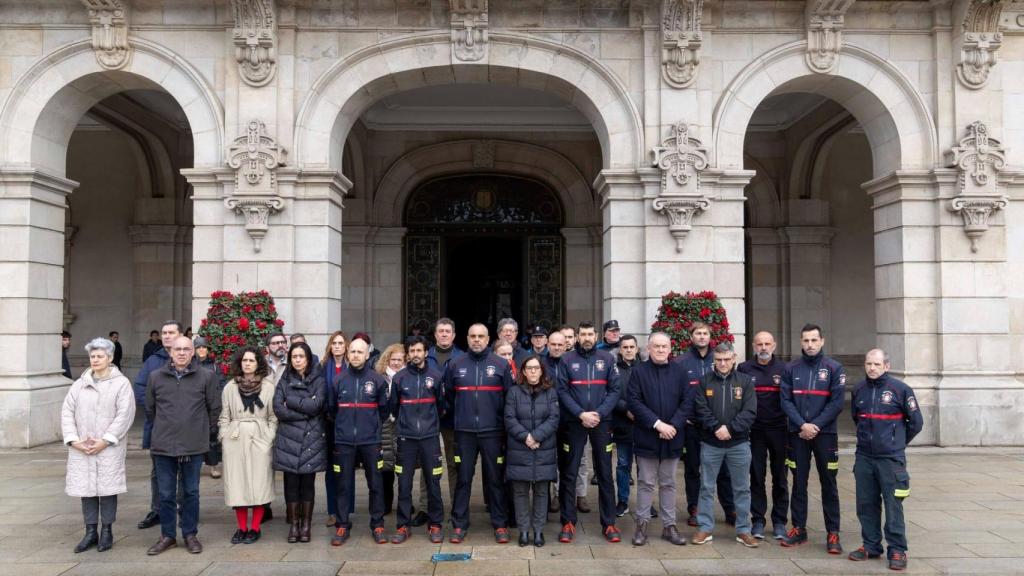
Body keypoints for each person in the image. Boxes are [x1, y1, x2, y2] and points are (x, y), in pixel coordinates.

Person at [144, 335, 221, 555]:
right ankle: (167, 535)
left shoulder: (206, 376)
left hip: (193, 446)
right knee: (166, 494)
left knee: (191, 493)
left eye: (186, 349)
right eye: (177, 349)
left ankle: (190, 534)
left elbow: (214, 408)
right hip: (163, 445)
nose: (181, 353)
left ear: (193, 352)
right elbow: (150, 409)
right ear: (170, 352)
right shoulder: (156, 377)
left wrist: (200, 431)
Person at [849, 349, 923, 571]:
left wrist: (896, 442)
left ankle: (897, 549)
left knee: (893, 505)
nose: (872, 368)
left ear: (887, 366)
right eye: (868, 364)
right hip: (864, 457)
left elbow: (916, 423)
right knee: (866, 504)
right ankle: (871, 545)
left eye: (877, 364)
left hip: (890, 459)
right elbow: (856, 418)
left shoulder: (901, 390)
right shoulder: (859, 390)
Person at [62, 337, 135, 553]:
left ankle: (107, 531)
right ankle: (90, 531)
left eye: (100, 356)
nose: (95, 360)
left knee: (107, 489)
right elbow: (67, 412)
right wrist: (74, 440)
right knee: (86, 490)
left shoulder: (121, 384)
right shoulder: (79, 384)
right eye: (92, 356)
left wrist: (106, 440)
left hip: (108, 447)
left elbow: (125, 414)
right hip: (82, 447)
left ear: (110, 358)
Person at [443, 323, 514, 544]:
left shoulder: (501, 365)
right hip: (464, 433)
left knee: (495, 479)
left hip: (493, 432)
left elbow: (509, 398)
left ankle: (500, 524)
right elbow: (449, 397)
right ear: (467, 338)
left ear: (488, 339)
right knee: (463, 479)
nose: (476, 340)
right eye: (473, 336)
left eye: (481, 336)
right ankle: (459, 524)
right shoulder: (455, 364)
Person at [780, 323, 846, 554]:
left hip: (825, 435)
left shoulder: (834, 368)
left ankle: (833, 532)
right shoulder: (791, 368)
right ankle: (799, 528)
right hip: (797, 434)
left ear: (822, 341)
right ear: (801, 342)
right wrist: (802, 425)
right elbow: (785, 401)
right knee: (798, 482)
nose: (810, 344)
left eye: (814, 340)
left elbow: (837, 403)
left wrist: (815, 426)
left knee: (829, 483)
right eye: (806, 340)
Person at [556, 321, 622, 544]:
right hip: (574, 422)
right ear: (577, 337)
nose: (586, 338)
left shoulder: (607, 359)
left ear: (596, 336)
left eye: (590, 334)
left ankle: (609, 522)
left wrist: (599, 414)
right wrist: (580, 414)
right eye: (582, 334)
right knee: (569, 472)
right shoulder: (567, 359)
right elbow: (562, 391)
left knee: (605, 473)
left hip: (602, 423)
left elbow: (615, 390)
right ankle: (568, 521)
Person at [626, 332, 693, 546]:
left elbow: (687, 401)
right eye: (656, 346)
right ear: (648, 348)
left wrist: (673, 425)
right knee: (645, 483)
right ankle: (641, 525)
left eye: (664, 346)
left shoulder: (680, 371)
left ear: (670, 349)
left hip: (673, 436)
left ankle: (669, 526)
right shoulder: (638, 372)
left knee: (669, 483)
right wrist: (658, 424)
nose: (661, 350)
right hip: (647, 436)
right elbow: (633, 401)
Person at [691, 342, 758, 548]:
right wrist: (716, 428)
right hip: (711, 443)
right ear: (714, 360)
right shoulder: (704, 382)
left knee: (742, 488)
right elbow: (700, 409)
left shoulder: (745, 382)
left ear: (734, 358)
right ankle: (705, 528)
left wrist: (730, 429)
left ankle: (744, 530)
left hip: (739, 443)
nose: (722, 363)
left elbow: (750, 411)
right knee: (706, 487)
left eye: (726, 359)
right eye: (719, 360)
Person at [330, 337, 391, 545]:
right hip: (344, 441)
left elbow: (384, 410)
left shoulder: (377, 381)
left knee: (376, 484)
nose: (356, 355)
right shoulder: (338, 380)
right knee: (343, 485)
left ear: (367, 355)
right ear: (348, 354)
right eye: (353, 351)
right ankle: (342, 525)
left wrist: (371, 427)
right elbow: (331, 410)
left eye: (360, 352)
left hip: (370, 441)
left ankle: (378, 525)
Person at [677, 322, 735, 527]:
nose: (702, 337)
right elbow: (676, 392)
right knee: (693, 469)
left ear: (710, 337)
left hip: (717, 426)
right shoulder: (681, 362)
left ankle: (730, 508)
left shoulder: (719, 359)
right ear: (691, 336)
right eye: (698, 333)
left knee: (723, 470)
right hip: (692, 425)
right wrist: (683, 416)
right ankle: (695, 507)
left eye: (705, 333)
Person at [219, 347, 277, 545]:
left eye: (252, 360)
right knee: (238, 485)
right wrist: (225, 436)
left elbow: (273, 417)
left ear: (258, 363)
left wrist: (268, 438)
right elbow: (224, 416)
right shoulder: (230, 387)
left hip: (260, 439)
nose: (248, 364)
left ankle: (255, 528)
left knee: (260, 484)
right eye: (244, 360)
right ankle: (242, 528)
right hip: (235, 441)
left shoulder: (268, 387)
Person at [391, 335, 445, 544]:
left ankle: (435, 524)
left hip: (430, 438)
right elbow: (394, 407)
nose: (415, 354)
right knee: (404, 484)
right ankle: (403, 526)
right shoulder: (399, 378)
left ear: (426, 352)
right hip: (406, 438)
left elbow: (441, 405)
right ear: (408, 354)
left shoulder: (436, 376)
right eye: (412, 351)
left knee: (434, 483)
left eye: (419, 350)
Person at [273, 341, 327, 544]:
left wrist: (292, 402)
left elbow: (317, 406)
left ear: (308, 359)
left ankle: (306, 525)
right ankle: (294, 524)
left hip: (311, 439)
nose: (297, 360)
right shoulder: (284, 379)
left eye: (301, 357)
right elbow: (278, 408)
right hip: (289, 440)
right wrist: (305, 412)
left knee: (307, 484)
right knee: (291, 484)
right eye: (294, 357)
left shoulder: (318, 380)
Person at [737, 331, 789, 540]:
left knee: (780, 477)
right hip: (755, 430)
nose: (764, 348)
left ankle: (779, 522)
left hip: (780, 430)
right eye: (760, 344)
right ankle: (758, 520)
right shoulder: (744, 369)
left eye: (767, 344)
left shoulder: (784, 369)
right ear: (754, 346)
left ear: (774, 345)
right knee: (756, 477)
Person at [505, 355, 560, 548]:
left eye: (536, 368)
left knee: (541, 492)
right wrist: (526, 437)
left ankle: (538, 531)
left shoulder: (550, 392)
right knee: (520, 492)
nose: (533, 371)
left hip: (543, 449)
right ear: (524, 371)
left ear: (542, 371)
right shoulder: (513, 392)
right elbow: (509, 418)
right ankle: (523, 531)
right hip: (520, 448)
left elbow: (554, 418)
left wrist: (536, 436)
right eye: (529, 368)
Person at [135, 320, 182, 531]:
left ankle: (182, 509)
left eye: (171, 332)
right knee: (158, 471)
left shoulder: (190, 359)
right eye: (164, 333)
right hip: (158, 427)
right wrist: (157, 411)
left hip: (186, 428)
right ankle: (158, 509)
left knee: (185, 471)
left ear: (180, 335)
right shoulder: (153, 361)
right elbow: (140, 388)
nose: (167, 336)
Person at [422, 318, 464, 527]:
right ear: (435, 334)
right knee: (427, 464)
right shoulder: (425, 356)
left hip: (451, 418)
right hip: (428, 418)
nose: (444, 334)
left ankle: (457, 507)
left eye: (448, 331)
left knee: (454, 463)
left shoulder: (462, 358)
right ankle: (425, 507)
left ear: (454, 335)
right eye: (441, 331)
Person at [375, 343, 406, 516]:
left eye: (400, 360)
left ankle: (404, 503)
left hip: (403, 426)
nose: (396, 363)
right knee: (386, 468)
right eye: (393, 359)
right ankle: (385, 503)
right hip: (385, 427)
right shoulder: (379, 378)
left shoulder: (408, 376)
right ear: (387, 359)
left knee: (404, 468)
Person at [321, 330, 348, 527]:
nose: (337, 346)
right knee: (331, 469)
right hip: (328, 422)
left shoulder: (352, 366)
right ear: (330, 346)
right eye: (334, 343)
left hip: (348, 422)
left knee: (346, 468)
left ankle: (345, 510)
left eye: (341, 343)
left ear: (346, 346)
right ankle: (332, 511)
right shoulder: (322, 368)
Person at [612, 334, 639, 518]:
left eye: (631, 347)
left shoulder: (644, 368)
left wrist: (639, 412)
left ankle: (645, 503)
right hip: (622, 424)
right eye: (625, 347)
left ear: (636, 349)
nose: (629, 350)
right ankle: (622, 501)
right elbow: (612, 393)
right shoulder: (614, 370)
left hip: (643, 426)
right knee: (623, 464)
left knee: (645, 468)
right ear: (620, 350)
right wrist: (626, 409)